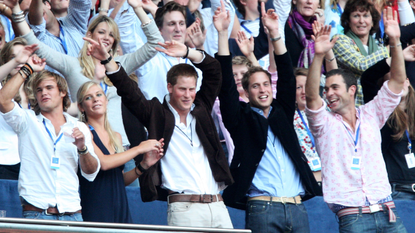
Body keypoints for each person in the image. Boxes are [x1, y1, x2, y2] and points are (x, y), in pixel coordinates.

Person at [84, 21, 234, 228]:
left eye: (192, 89)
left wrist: (189, 51)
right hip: (184, 209)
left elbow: (215, 70)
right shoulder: (156, 113)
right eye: (183, 89)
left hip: (218, 205)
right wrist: (108, 60)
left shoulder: (202, 108)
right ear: (170, 87)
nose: (188, 95)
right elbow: (129, 90)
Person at [3, 0, 163, 165]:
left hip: (119, 145)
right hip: (85, 145)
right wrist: (16, 10)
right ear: (90, 34)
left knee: (125, 191)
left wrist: (137, 8)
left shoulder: (120, 65)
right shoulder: (73, 64)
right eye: (102, 32)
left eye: (111, 35)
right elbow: (34, 42)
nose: (107, 38)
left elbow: (154, 44)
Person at [218, 3, 321, 232]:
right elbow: (226, 87)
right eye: (255, 86)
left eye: (266, 84)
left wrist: (276, 34)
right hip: (261, 207)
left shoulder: (282, 112)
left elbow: (287, 76)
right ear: (246, 91)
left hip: (297, 206)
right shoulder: (239, 118)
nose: (263, 90)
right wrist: (223, 34)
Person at [305, 7, 407, 232]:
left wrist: (396, 42)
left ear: (352, 90)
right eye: (327, 89)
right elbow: (311, 96)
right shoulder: (324, 123)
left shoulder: (372, 113)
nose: (329, 93)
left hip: (387, 211)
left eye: (334, 88)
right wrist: (319, 55)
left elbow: (398, 82)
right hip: (353, 217)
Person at [0, 44, 100, 221]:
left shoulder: (80, 126)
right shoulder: (27, 120)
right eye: (39, 90)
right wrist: (27, 68)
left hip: (72, 215)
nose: (43, 93)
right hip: (36, 213)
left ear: (62, 92)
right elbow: (3, 99)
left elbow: (91, 172)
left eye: (49, 88)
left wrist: (82, 148)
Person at [76, 81, 164, 223]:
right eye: (88, 97)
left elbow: (119, 179)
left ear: (106, 100)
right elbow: (103, 163)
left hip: (120, 207)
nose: (95, 99)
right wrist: (139, 149)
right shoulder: (83, 130)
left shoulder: (116, 136)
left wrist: (143, 165)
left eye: (99, 95)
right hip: (97, 208)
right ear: (81, 107)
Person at [360, 44, 415, 200]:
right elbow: (367, 78)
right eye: (391, 80)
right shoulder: (381, 115)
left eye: (401, 78)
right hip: (397, 191)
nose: (398, 83)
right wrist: (398, 57)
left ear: (408, 81)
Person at [333, 0, 389, 106]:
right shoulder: (340, 41)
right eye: (356, 16)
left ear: (373, 21)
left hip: (377, 108)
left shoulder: (379, 47)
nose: (361, 21)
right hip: (353, 108)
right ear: (348, 21)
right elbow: (361, 65)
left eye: (366, 16)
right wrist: (390, 51)